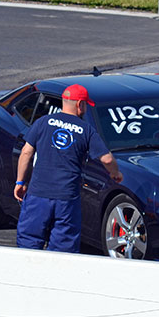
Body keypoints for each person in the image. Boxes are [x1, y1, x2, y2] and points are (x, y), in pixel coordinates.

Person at [14, 84, 123, 253]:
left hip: (38, 195)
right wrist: (115, 173)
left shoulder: (42, 122)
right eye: (85, 104)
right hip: (66, 198)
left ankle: (29, 276)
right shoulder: (86, 130)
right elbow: (107, 159)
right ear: (80, 104)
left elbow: (26, 152)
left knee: (29, 243)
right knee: (63, 249)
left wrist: (20, 181)